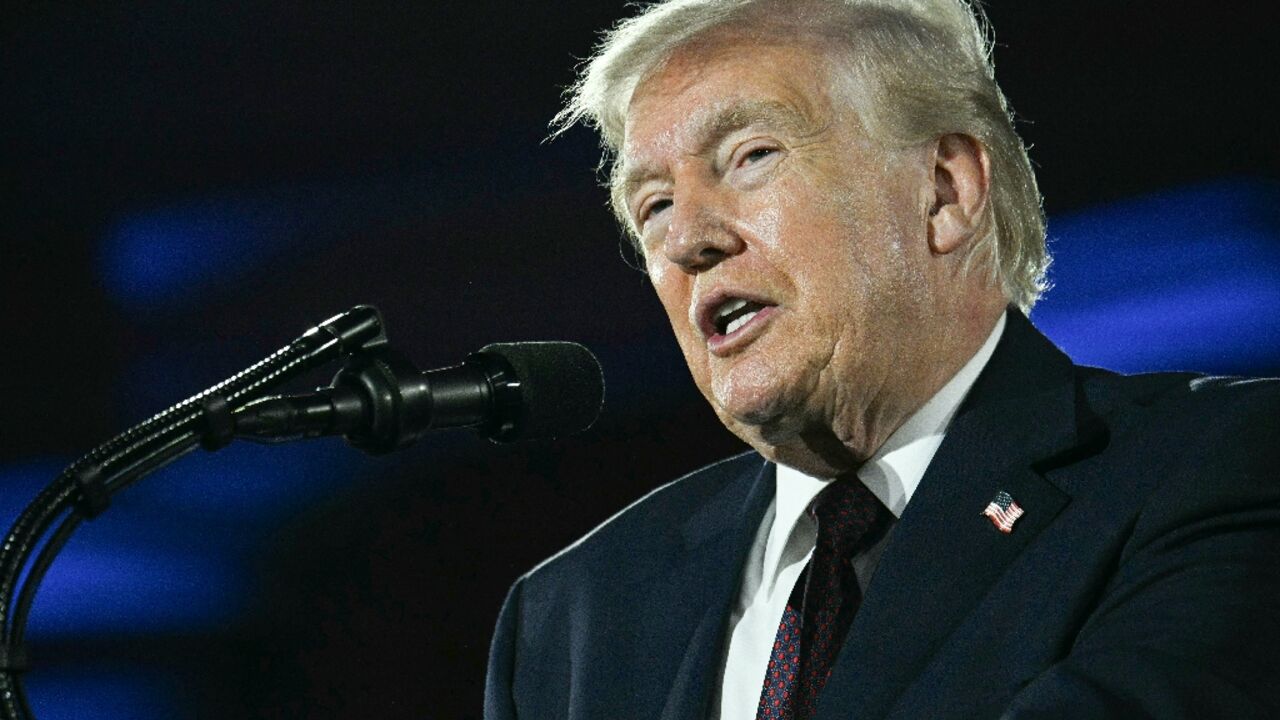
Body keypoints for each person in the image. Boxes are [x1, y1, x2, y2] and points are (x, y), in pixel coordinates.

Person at [485, 0, 1280, 717]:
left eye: (751, 156)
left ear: (944, 190)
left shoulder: (1215, 466)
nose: (688, 239)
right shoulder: (572, 617)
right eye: (652, 206)